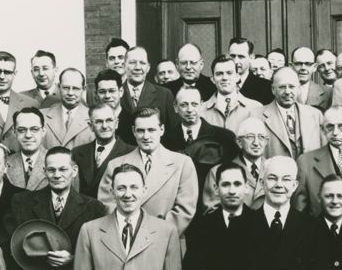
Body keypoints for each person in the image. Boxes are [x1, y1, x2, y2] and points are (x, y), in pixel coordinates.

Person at [97, 107, 198, 236]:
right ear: (133, 131)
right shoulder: (115, 165)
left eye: (151, 130)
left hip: (165, 239)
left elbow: (184, 211)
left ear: (162, 130)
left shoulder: (183, 163)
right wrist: (130, 232)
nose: (146, 136)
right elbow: (106, 205)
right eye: (140, 131)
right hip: (126, 238)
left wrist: (154, 236)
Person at [161, 86, 237, 191]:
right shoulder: (164, 140)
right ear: (175, 107)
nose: (190, 110)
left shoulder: (224, 137)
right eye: (184, 105)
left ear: (201, 105)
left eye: (194, 104)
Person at [200, 118, 268, 212]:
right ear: (239, 142)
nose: (256, 143)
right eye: (250, 137)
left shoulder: (275, 169)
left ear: (266, 142)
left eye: (261, 137)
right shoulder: (217, 172)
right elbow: (212, 213)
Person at [261, 67, 325, 159]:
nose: (287, 91)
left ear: (299, 89)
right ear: (273, 89)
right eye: (282, 87)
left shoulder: (316, 115)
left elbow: (324, 153)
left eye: (291, 86)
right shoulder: (257, 116)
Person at [71, 104, 133, 198]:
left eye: (109, 120)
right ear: (90, 126)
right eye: (99, 122)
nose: (104, 126)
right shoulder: (77, 153)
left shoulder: (130, 152)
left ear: (116, 124)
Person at [119, 46, 179, 135]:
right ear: (124, 66)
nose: (137, 67)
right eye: (132, 62)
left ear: (148, 68)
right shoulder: (114, 94)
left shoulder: (164, 94)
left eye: (142, 63)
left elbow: (173, 132)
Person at [202, 55, 264, 134]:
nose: (224, 77)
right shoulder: (201, 111)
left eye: (229, 73)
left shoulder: (255, 108)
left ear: (237, 77)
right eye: (219, 74)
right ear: (213, 79)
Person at [42, 68, 93, 151]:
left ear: (84, 89)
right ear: (59, 87)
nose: (70, 93)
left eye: (75, 88)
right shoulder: (42, 117)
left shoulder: (94, 118)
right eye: (66, 88)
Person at [5, 108, 50, 191]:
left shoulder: (57, 162)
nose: (28, 135)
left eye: (34, 129)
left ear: (43, 131)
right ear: (15, 133)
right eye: (22, 130)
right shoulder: (5, 164)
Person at [227, 37, 274, 104]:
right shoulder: (218, 84)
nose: (236, 61)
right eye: (232, 56)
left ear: (251, 57)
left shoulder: (266, 87)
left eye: (241, 57)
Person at [93, 69, 134, 145]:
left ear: (121, 91)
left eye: (112, 91)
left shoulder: (133, 122)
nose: (107, 96)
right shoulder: (92, 123)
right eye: (102, 92)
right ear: (96, 94)